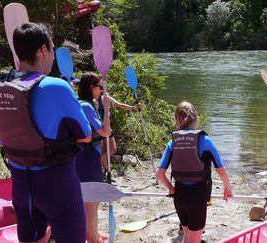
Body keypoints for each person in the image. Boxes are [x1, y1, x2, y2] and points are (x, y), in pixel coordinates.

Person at [0, 23, 91, 243]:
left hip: (22, 185)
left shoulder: (0, 88)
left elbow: (3, 138)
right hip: (57, 184)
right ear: (43, 50)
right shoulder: (56, 86)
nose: (52, 56)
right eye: (51, 49)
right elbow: (85, 135)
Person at [156, 101, 233, 243]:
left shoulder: (173, 142)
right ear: (196, 118)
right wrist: (228, 188)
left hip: (179, 195)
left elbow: (160, 174)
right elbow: (221, 170)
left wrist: (172, 189)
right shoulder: (206, 140)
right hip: (197, 196)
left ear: (177, 119)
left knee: (186, 237)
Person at [76, 72, 111, 243]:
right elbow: (105, 132)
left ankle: (92, 233)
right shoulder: (87, 106)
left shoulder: (82, 104)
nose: (102, 91)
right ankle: (93, 240)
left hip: (83, 157)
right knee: (92, 201)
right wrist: (107, 109)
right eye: (99, 87)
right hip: (88, 159)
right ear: (92, 88)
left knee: (88, 201)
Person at [95, 87, 141, 171]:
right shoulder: (94, 100)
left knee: (112, 149)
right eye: (101, 87)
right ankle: (105, 170)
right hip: (99, 129)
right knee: (104, 151)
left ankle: (98, 164)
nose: (103, 89)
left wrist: (132, 107)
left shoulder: (106, 98)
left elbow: (120, 105)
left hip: (107, 127)